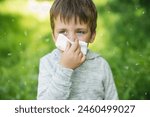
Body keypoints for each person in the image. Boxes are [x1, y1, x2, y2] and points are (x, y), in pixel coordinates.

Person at [37, 0, 118, 100]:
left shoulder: (101, 65)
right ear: (54, 36)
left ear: (92, 36)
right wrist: (65, 69)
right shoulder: (47, 63)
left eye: (80, 32)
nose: (71, 39)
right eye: (63, 32)